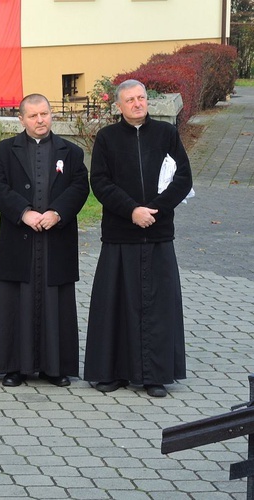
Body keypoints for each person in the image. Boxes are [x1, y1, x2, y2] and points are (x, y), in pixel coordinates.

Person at [83, 79, 193, 398]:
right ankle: (112, 372)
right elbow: (100, 183)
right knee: (116, 304)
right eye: (130, 99)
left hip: (157, 233)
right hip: (121, 234)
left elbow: (183, 177)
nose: (137, 103)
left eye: (141, 98)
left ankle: (155, 375)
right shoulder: (106, 138)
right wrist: (132, 211)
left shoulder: (166, 134)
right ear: (118, 106)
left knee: (158, 307)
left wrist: (153, 211)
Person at [0, 94, 89, 388]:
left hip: (57, 238)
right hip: (20, 238)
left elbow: (80, 186)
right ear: (21, 119)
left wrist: (58, 213)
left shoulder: (71, 152)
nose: (40, 120)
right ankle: (14, 367)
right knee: (16, 299)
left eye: (44, 114)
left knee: (57, 300)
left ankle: (56, 368)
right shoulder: (5, 150)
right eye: (33, 116)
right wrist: (24, 212)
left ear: (51, 114)